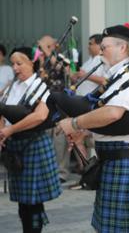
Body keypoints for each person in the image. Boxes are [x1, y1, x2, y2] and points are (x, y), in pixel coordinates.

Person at [58, 25, 129, 232]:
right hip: (117, 162)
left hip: (127, 163)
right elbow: (119, 119)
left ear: (122, 48)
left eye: (104, 47)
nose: (100, 52)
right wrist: (86, 130)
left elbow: (112, 113)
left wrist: (73, 123)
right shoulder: (119, 76)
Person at [0, 47, 61, 233]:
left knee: (33, 200)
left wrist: (9, 130)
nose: (16, 68)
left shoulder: (41, 86)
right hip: (14, 145)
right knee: (22, 201)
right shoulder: (12, 85)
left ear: (32, 63)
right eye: (13, 64)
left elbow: (39, 116)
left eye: (20, 63)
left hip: (34, 144)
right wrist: (2, 131)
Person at [69, 34, 107, 176]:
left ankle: (92, 171)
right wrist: (75, 75)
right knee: (77, 137)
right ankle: (86, 171)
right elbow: (81, 77)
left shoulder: (102, 60)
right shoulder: (89, 60)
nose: (88, 46)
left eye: (91, 43)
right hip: (81, 103)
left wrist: (85, 75)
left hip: (93, 104)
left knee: (87, 137)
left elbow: (105, 81)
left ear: (99, 45)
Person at [37, 35, 71, 183]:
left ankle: (62, 172)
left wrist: (46, 50)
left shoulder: (61, 58)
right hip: (44, 103)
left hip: (60, 103)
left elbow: (64, 70)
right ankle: (48, 170)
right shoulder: (41, 60)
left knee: (59, 139)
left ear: (53, 46)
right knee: (46, 137)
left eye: (44, 45)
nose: (40, 48)